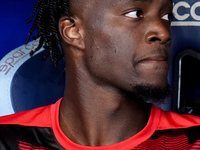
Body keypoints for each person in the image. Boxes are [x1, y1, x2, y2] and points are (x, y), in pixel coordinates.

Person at [0, 0, 200, 149]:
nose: (163, 32)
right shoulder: (8, 139)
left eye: (166, 17)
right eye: (135, 14)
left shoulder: (193, 141)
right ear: (73, 31)